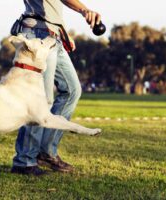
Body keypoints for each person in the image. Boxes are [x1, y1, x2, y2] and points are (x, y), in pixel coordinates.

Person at [11, 0, 102, 175]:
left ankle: (46, 152)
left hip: (53, 35)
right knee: (41, 101)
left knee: (72, 90)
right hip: (37, 34)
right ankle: (25, 161)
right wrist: (84, 10)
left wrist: (62, 31)